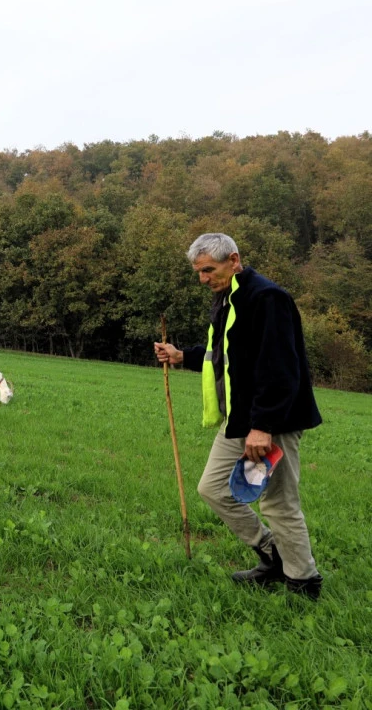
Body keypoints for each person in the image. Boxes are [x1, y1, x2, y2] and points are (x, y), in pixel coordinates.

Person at [154, 233, 323, 599]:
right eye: (198, 272)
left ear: (234, 259)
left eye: (208, 270)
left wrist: (263, 427)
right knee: (212, 488)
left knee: (278, 503)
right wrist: (184, 355)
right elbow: (229, 357)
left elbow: (279, 369)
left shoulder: (267, 298)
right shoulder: (228, 298)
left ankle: (303, 581)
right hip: (241, 419)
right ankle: (272, 554)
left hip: (272, 421)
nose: (203, 279)